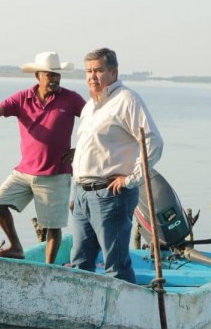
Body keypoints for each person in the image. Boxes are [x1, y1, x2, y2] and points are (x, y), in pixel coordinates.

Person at [0, 52, 85, 263]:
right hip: (24, 171)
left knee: (52, 226)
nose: (55, 79)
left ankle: (48, 270)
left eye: (57, 75)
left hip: (55, 173)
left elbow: (94, 120)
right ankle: (16, 247)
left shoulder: (71, 98)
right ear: (38, 76)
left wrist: (81, 148)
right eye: (50, 75)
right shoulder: (22, 98)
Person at [70, 48, 164, 283]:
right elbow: (86, 150)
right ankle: (83, 313)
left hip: (110, 195)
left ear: (113, 72)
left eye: (99, 71)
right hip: (83, 194)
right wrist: (75, 191)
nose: (92, 77)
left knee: (115, 265)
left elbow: (153, 142)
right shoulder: (89, 107)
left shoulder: (126, 100)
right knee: (80, 262)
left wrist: (132, 178)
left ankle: (126, 316)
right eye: (89, 71)